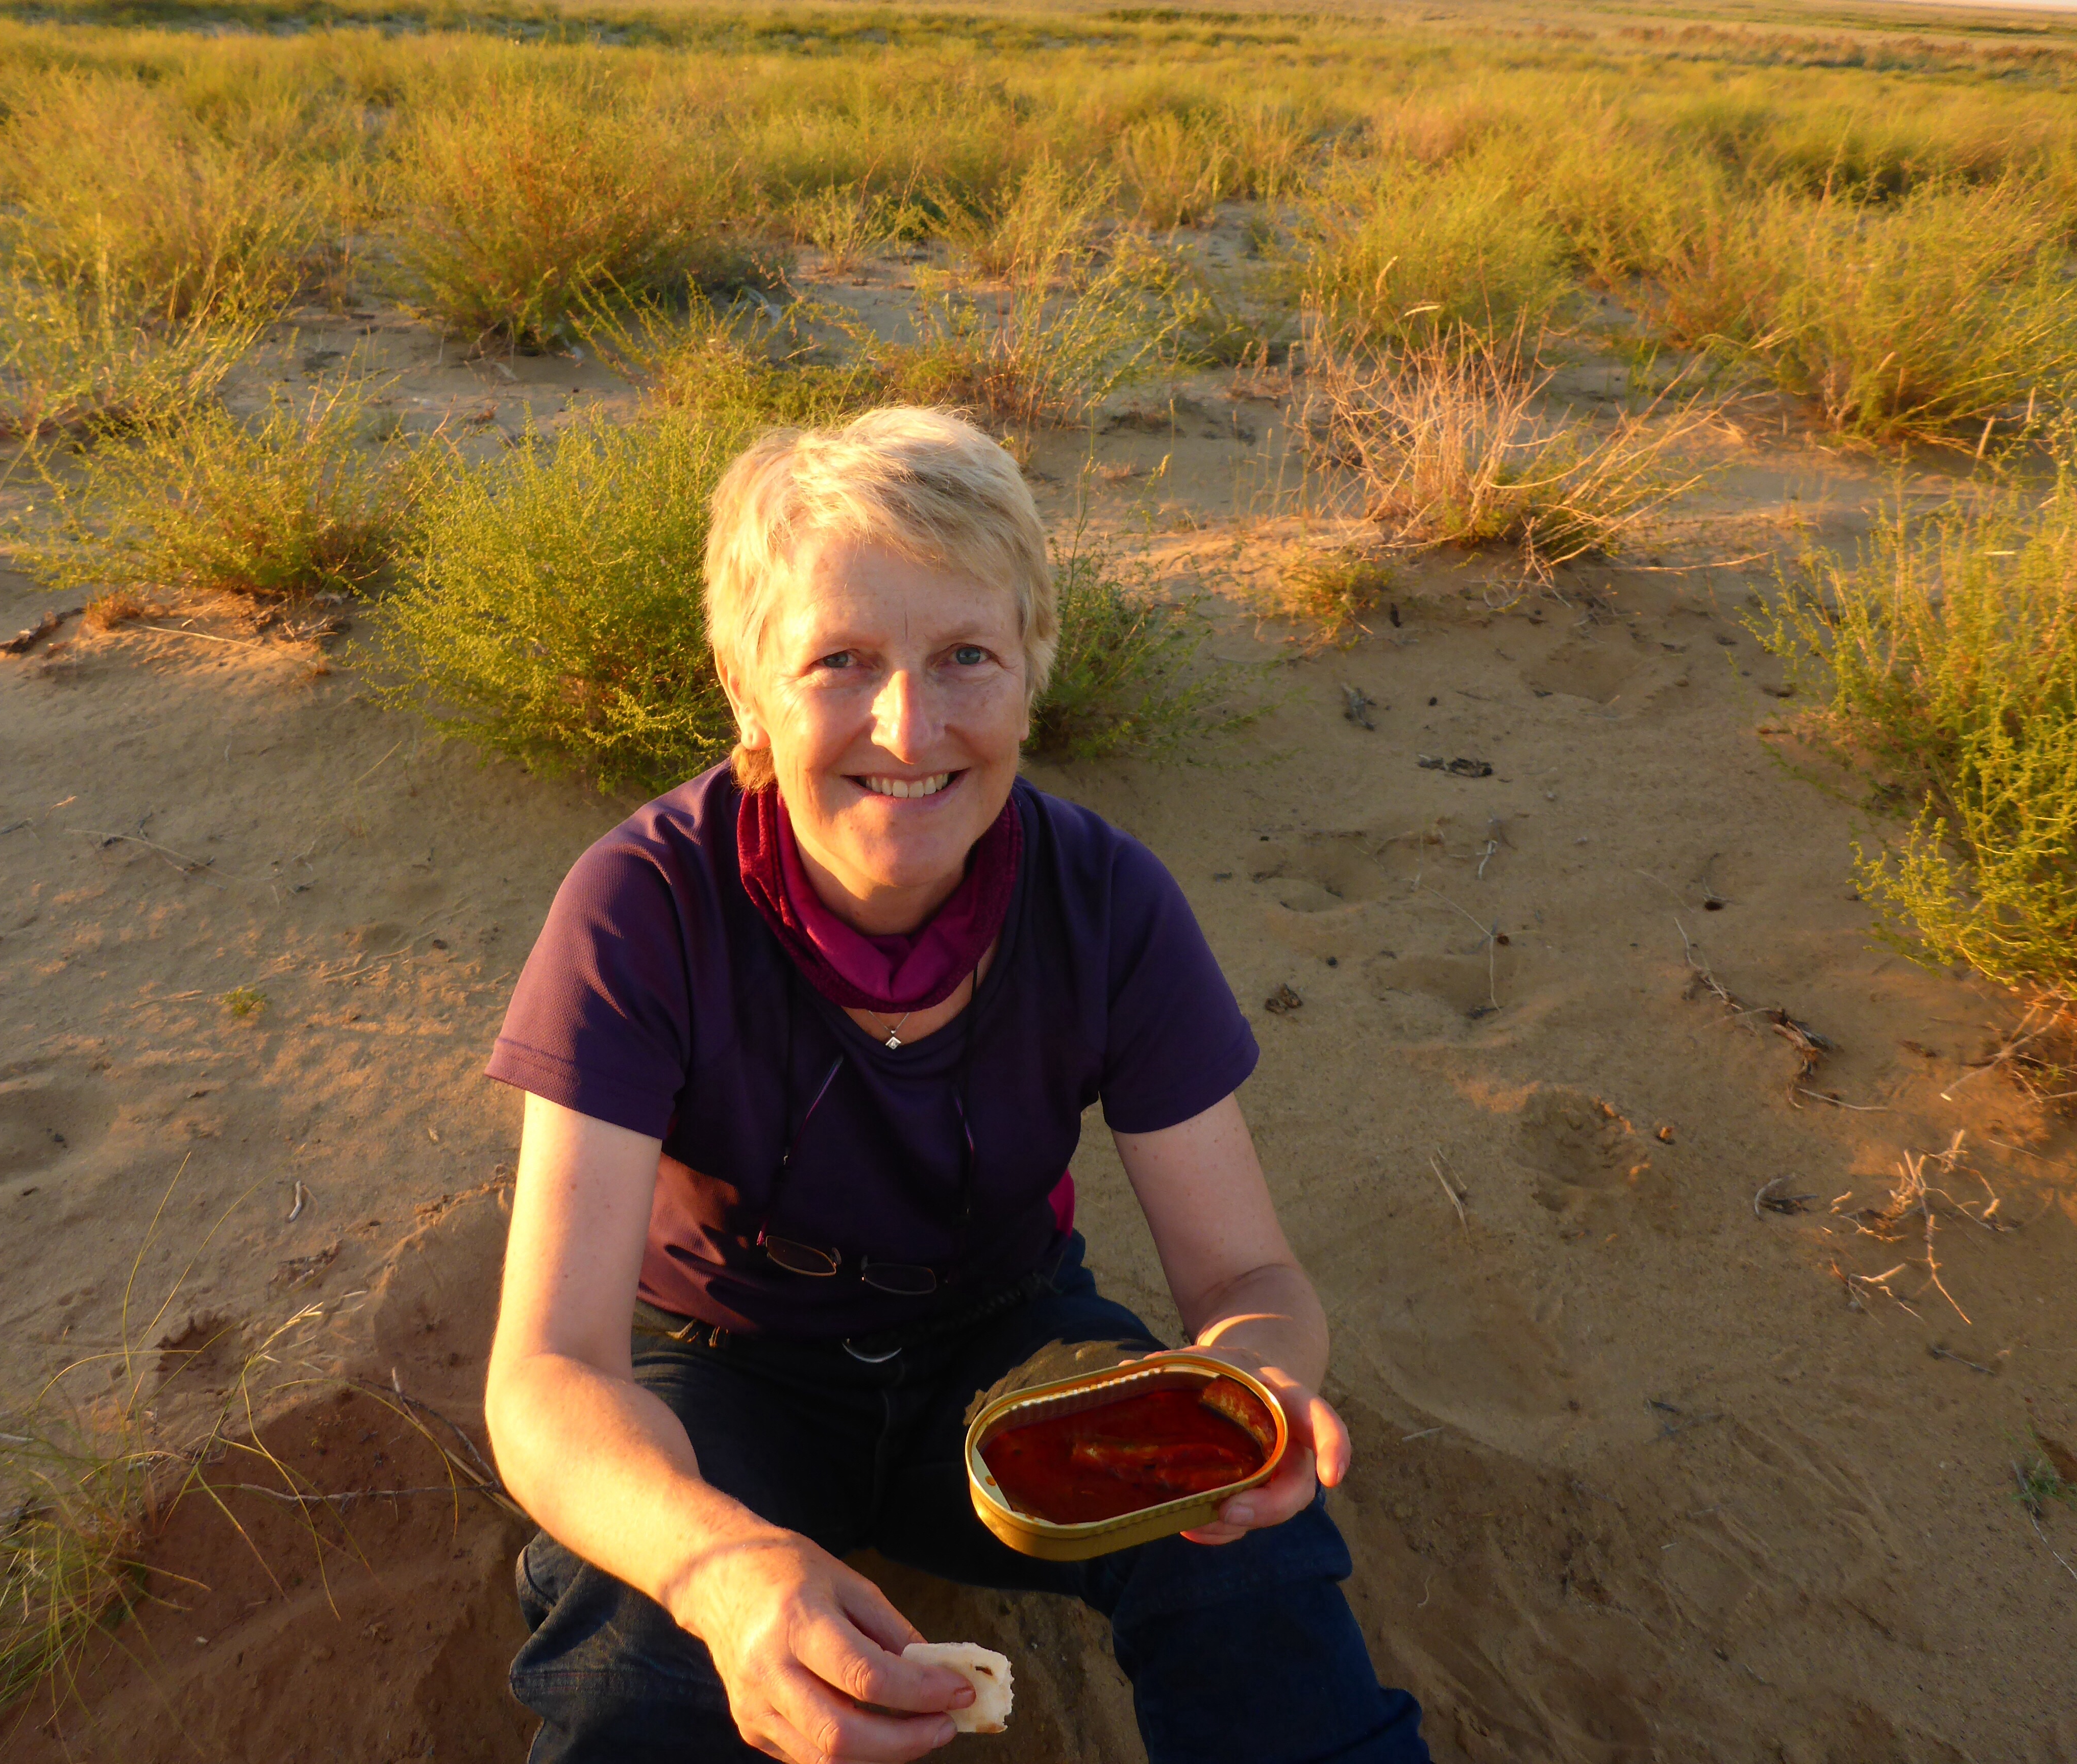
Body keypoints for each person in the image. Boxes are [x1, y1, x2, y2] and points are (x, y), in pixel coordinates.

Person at [481, 407, 1427, 1764]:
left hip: (1008, 1340)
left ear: (1033, 670)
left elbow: (1248, 1280)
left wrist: (1252, 1393)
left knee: (1248, 1555)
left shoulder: (1107, 902)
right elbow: (551, 1371)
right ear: (747, 690)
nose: (908, 725)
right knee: (638, 1649)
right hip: (725, 1363)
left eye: (966, 656)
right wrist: (717, 1567)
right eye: (840, 660)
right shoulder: (642, 905)